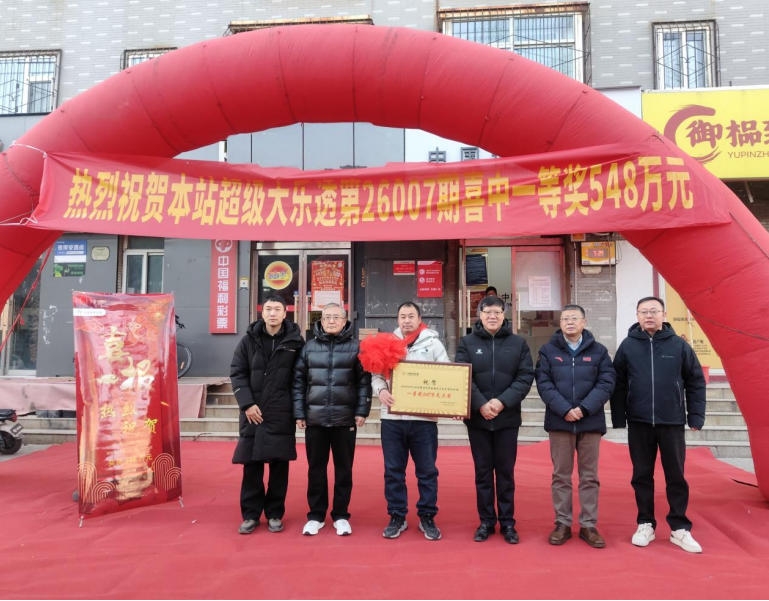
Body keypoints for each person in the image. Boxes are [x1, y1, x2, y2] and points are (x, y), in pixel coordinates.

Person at [611, 296, 707, 553]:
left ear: (664, 315)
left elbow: (695, 381)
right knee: (641, 475)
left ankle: (679, 527)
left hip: (671, 421)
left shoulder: (679, 346)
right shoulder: (628, 346)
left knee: (676, 475)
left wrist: (696, 415)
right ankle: (645, 523)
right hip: (639, 422)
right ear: (637, 316)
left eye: (654, 311)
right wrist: (619, 417)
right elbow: (618, 383)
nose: (649, 316)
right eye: (643, 312)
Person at [455, 295, 534, 544]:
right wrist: (480, 404)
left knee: (505, 473)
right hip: (478, 420)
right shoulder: (467, 342)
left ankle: (508, 523)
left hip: (507, 418)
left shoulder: (518, 343)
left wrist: (501, 402)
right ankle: (486, 522)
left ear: (503, 315)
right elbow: (462, 375)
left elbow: (525, 377)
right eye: (487, 312)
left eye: (497, 312)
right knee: (482, 473)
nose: (492, 316)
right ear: (479, 315)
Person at [535, 304, 616, 548]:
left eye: (574, 318)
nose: (569, 322)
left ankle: (589, 525)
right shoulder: (548, 351)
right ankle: (562, 523)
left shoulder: (599, 351)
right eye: (565, 319)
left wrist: (584, 408)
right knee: (561, 476)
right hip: (560, 422)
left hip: (590, 421)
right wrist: (564, 409)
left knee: (589, 476)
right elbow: (544, 383)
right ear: (560, 323)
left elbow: (606, 382)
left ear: (584, 322)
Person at [370, 301, 450, 541]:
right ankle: (397, 515)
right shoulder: (386, 343)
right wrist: (381, 391)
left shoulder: (433, 344)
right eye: (402, 316)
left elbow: (447, 375)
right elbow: (376, 375)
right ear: (397, 319)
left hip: (424, 419)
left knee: (427, 471)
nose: (406, 320)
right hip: (392, 418)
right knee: (393, 471)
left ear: (419, 319)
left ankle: (427, 516)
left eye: (411, 316)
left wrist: (448, 403)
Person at [292, 303, 371, 537]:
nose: (331, 321)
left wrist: (362, 410)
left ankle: (341, 515)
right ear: (321, 320)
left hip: (344, 419)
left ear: (345, 320)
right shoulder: (309, 348)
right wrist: (299, 413)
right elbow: (298, 383)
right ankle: (316, 515)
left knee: (344, 470)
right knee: (315, 469)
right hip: (315, 420)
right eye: (327, 317)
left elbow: (364, 383)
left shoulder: (356, 348)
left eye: (336, 317)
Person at [230, 294, 305, 535]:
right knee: (251, 465)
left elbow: (301, 378)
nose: (273, 313)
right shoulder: (248, 340)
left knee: (279, 466)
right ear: (262, 313)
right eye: (268, 309)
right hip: (253, 412)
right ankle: (250, 515)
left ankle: (274, 513)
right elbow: (237, 373)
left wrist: (298, 410)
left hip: (281, 411)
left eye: (277, 309)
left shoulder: (296, 342)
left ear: (285, 313)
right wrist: (247, 404)